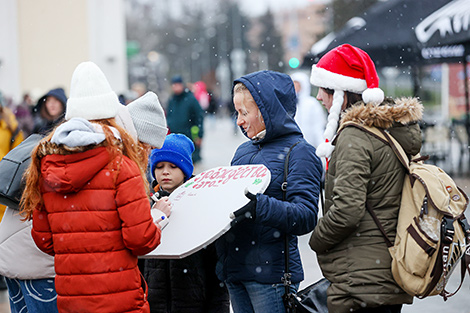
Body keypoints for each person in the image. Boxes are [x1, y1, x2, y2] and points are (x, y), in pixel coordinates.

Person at [0, 89, 168, 313]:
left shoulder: (65, 143)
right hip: (43, 272)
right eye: (149, 147)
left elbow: (48, 234)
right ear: (137, 139)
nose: (148, 156)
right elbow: (136, 237)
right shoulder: (113, 161)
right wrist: (156, 218)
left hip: (18, 261)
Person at [308, 44, 422, 313]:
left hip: (359, 277)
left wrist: (316, 239)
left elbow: (347, 211)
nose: (318, 97)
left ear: (340, 94)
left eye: (323, 89)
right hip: (387, 268)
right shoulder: (387, 130)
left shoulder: (355, 137)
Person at [215, 70, 323, 313]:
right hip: (236, 272)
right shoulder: (242, 152)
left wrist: (260, 206)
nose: (239, 121)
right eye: (237, 113)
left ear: (267, 111)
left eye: (244, 113)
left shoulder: (300, 152)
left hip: (271, 278)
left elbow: (305, 216)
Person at [143, 133, 230, 313]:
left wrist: (218, 306)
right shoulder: (145, 204)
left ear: (185, 170)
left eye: (173, 166)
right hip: (154, 303)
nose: (165, 171)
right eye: (159, 167)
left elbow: (216, 267)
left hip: (193, 301)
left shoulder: (201, 205)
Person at [166, 75, 204, 164]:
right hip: (175, 136)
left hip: (189, 137)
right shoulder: (172, 99)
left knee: (190, 162)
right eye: (174, 85)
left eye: (177, 85)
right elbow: (169, 116)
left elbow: (199, 118)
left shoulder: (191, 99)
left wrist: (199, 135)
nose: (175, 87)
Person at [290, 71, 326, 148]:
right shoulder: (289, 103)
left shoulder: (311, 103)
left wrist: (321, 145)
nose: (295, 88)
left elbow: (318, 126)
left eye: (297, 85)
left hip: (310, 145)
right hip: (294, 146)